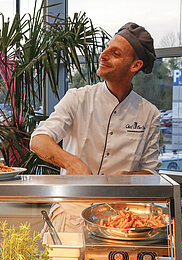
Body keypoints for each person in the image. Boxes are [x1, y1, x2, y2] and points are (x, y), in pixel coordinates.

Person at [30, 22, 161, 232]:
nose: (104, 55)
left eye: (115, 53)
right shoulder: (77, 99)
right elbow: (38, 140)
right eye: (106, 48)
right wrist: (71, 162)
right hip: (70, 216)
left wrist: (125, 179)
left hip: (120, 222)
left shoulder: (149, 113)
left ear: (135, 65)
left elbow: (151, 172)